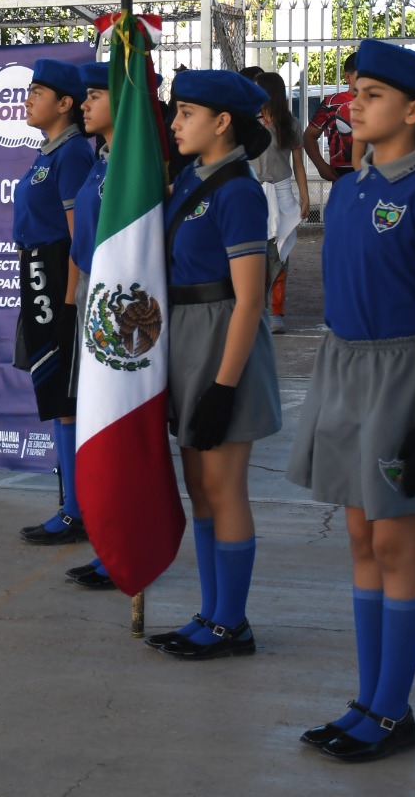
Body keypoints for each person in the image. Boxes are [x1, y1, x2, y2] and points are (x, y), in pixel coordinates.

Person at [287, 40, 415, 763]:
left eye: (371, 95)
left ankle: (393, 711)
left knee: (397, 543)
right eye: (355, 92)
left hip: (404, 378)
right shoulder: (350, 189)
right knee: (361, 539)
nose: (354, 104)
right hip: (345, 370)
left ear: (414, 109)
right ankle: (368, 699)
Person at [145, 69, 281, 659]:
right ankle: (211, 611)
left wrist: (224, 387)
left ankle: (232, 623)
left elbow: (250, 299)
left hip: (223, 340)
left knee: (224, 488)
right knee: (198, 486)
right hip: (184, 336)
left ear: (223, 122)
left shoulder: (238, 191)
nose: (174, 124)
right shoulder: (188, 180)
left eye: (186, 114)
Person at [12, 60, 97, 554]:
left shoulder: (73, 155)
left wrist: (68, 307)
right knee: (56, 394)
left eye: (38, 92)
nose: (27, 99)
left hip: (56, 274)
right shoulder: (48, 151)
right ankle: (72, 505)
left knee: (66, 396)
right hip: (38, 272)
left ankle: (78, 509)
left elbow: (76, 238)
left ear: (66, 103)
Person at [59, 61, 116, 589]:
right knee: (93, 425)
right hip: (89, 296)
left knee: (112, 429)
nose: (85, 104)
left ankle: (119, 549)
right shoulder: (102, 159)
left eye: (96, 95)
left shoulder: (131, 167)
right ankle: (106, 544)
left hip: (114, 307)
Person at [252, 72, 310, 334]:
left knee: (280, 253)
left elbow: (298, 165)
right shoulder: (248, 122)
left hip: (282, 191)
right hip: (253, 193)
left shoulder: (291, 124)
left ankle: (277, 312)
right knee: (254, 254)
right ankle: (256, 309)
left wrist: (305, 197)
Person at [304, 53, 362, 182]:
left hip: (374, 174)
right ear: (348, 77)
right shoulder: (330, 103)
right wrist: (321, 166)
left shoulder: (381, 104)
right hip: (341, 177)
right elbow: (309, 136)